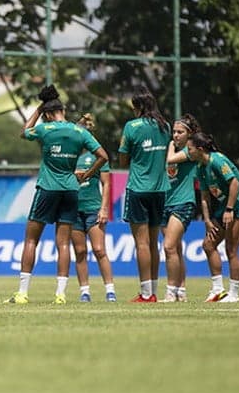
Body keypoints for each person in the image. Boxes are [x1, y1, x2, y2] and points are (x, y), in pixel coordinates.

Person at [7, 87, 108, 305]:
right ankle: (60, 295)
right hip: (71, 190)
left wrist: (37, 110)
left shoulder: (45, 129)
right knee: (63, 244)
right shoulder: (80, 131)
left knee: (31, 240)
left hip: (48, 189)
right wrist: (87, 175)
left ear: (48, 114)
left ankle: (23, 293)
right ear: (62, 110)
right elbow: (103, 156)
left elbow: (24, 131)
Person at [117, 85, 170, 303]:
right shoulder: (165, 126)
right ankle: (154, 291)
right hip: (160, 189)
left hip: (138, 189)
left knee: (141, 243)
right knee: (154, 242)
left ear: (138, 106)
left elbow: (122, 160)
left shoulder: (131, 126)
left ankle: (146, 293)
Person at [187, 132, 239, 303]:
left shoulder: (217, 160)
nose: (188, 153)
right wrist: (207, 220)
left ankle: (234, 294)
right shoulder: (200, 168)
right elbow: (204, 196)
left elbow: (235, 183)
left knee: (231, 249)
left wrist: (229, 209)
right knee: (208, 245)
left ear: (200, 149)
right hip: (222, 211)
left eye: (190, 149)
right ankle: (218, 290)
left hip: (238, 208)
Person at [70, 113, 117, 302]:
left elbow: (106, 184)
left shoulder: (97, 156)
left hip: (93, 208)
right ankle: (85, 292)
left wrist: (104, 208)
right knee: (80, 251)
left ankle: (110, 291)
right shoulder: (70, 156)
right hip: (72, 210)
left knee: (99, 250)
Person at [161, 114, 201, 302]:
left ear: (190, 134)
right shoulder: (174, 149)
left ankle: (170, 292)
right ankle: (181, 291)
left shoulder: (190, 151)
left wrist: (169, 145)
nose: (175, 135)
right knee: (175, 248)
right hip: (165, 203)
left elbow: (170, 159)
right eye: (174, 132)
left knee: (168, 246)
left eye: (180, 132)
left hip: (183, 202)